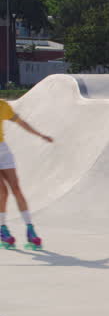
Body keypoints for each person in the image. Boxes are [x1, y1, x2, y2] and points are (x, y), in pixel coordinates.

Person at [0, 99, 54, 250]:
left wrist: (40, 135)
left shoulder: (2, 105)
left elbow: (21, 122)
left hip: (3, 151)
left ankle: (30, 230)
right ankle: (2, 229)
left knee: (16, 189)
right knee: (3, 192)